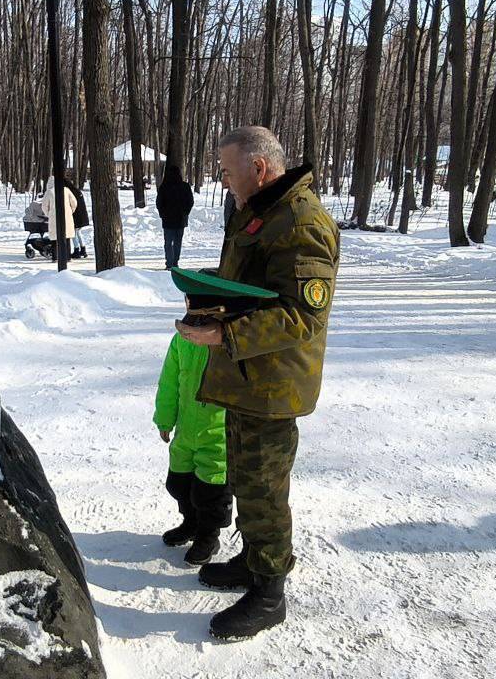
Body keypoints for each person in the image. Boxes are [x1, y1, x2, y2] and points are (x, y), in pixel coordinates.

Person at [174, 126, 340, 640]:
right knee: (246, 477)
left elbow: (301, 316)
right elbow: (256, 290)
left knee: (265, 487)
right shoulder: (262, 212)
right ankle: (252, 560)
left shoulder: (301, 221)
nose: (223, 181)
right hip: (249, 375)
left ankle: (269, 592)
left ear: (259, 168)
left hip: (272, 382)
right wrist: (210, 298)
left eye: (227, 171)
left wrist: (225, 332)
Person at [153, 332, 231, 566]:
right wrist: (165, 418)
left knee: (211, 490)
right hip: (186, 429)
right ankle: (191, 522)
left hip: (218, 433)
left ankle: (208, 536)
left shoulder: (229, 338)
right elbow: (169, 381)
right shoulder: (183, 338)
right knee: (178, 482)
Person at [156, 165, 194, 269]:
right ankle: (175, 262)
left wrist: (162, 214)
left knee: (168, 242)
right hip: (180, 219)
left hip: (168, 220)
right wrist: (185, 213)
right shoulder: (185, 186)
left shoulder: (164, 187)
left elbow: (159, 203)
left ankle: (169, 263)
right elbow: (190, 202)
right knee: (177, 242)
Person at [41, 176, 77, 259]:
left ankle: (55, 257)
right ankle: (67, 257)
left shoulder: (49, 192)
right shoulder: (66, 190)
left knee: (55, 238)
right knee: (66, 237)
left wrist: (48, 214)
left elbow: (44, 206)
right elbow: (74, 202)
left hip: (54, 217)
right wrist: (70, 211)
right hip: (67, 217)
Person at [64, 174, 90, 258]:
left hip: (76, 216)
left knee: (73, 233)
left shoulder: (70, 193)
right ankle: (83, 249)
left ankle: (76, 250)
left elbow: (72, 205)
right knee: (78, 232)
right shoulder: (77, 191)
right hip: (82, 216)